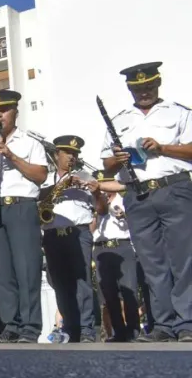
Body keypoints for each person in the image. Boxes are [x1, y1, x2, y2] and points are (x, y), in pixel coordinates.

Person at [100, 62, 192, 342]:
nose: (144, 92)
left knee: (183, 259)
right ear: (130, 89)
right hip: (136, 194)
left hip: (173, 188)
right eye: (138, 89)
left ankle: (187, 322)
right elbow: (107, 165)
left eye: (148, 87)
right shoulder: (119, 119)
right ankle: (162, 324)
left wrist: (162, 148)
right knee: (152, 263)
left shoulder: (178, 113)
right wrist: (118, 158)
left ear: (158, 84)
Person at [0, 90, 49, 343]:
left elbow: (40, 176)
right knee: (1, 271)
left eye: (3, 110)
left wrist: (11, 156)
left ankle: (30, 326)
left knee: (27, 268)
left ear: (15, 111)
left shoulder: (30, 143)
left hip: (22, 206)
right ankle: (10, 324)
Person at [38, 135, 98, 343]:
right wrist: (61, 186)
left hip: (79, 232)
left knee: (82, 282)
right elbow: (38, 199)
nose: (72, 158)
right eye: (68, 153)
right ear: (57, 155)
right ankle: (70, 327)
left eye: (75, 154)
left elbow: (99, 208)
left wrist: (94, 190)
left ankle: (87, 328)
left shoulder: (85, 176)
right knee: (60, 283)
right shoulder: (46, 178)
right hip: (53, 234)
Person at [91, 170, 142, 342]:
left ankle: (134, 330)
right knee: (108, 294)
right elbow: (91, 230)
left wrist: (124, 215)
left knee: (129, 291)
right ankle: (118, 331)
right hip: (101, 248)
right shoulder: (94, 201)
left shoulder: (124, 199)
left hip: (123, 246)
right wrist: (96, 210)